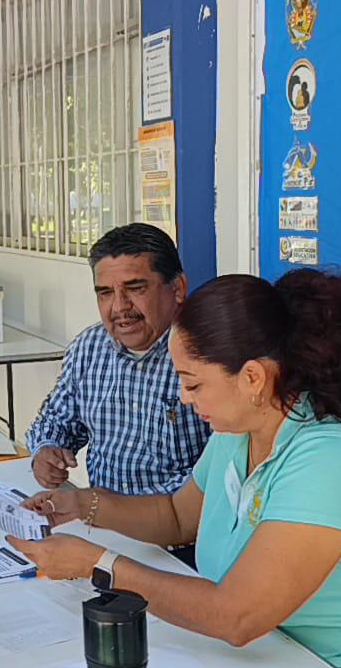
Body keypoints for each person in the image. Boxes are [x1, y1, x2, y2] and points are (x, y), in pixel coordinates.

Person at [11, 269, 341, 667]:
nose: (184, 398)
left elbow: (236, 617)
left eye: (193, 384)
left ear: (253, 378)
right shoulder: (238, 433)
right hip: (283, 652)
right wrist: (83, 504)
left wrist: (99, 566)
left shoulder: (334, 458)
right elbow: (177, 516)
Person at [25, 224, 210, 563]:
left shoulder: (208, 357)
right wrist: (46, 451)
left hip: (182, 546)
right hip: (101, 532)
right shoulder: (90, 346)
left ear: (178, 288)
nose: (119, 307)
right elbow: (55, 420)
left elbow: (213, 480)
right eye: (105, 293)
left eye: (135, 288)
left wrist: (109, 508)